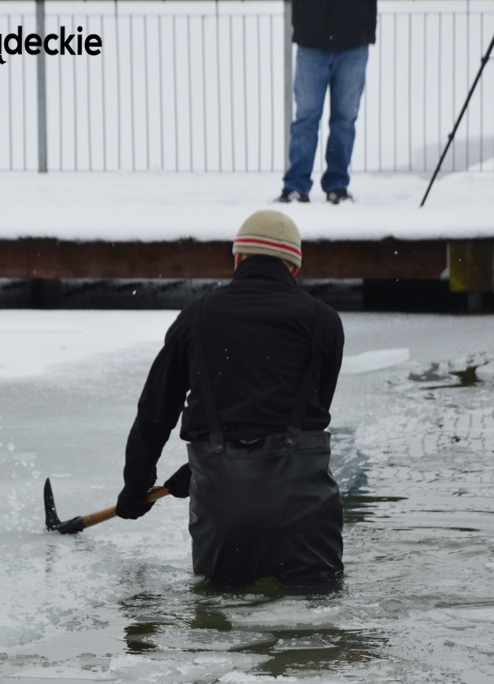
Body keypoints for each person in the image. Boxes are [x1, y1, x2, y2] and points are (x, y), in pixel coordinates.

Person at [115, 209, 345, 585]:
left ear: (238, 258)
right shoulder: (325, 321)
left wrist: (137, 485)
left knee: (221, 614)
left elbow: (155, 412)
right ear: (294, 268)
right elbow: (312, 412)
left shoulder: (196, 316)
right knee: (316, 611)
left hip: (224, 509)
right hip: (306, 511)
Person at [278, 0, 377, 205]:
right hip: (311, 38)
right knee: (306, 118)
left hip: (354, 39)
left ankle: (337, 184)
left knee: (345, 120)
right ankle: (296, 185)